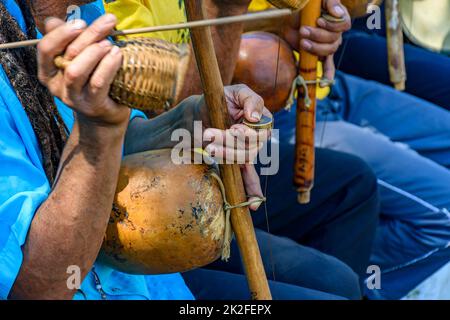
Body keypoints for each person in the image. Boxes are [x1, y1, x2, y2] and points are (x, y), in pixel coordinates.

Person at [0, 0, 377, 300]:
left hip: (140, 280)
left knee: (339, 278)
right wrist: (99, 132)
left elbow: (127, 138)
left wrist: (195, 118)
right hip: (94, 279)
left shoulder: (84, 11)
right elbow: (39, 290)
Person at [245, 0, 450, 299]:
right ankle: (350, 277)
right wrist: (284, 24)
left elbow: (354, 8)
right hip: (273, 113)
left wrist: (337, 16)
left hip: (328, 84)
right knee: (444, 215)